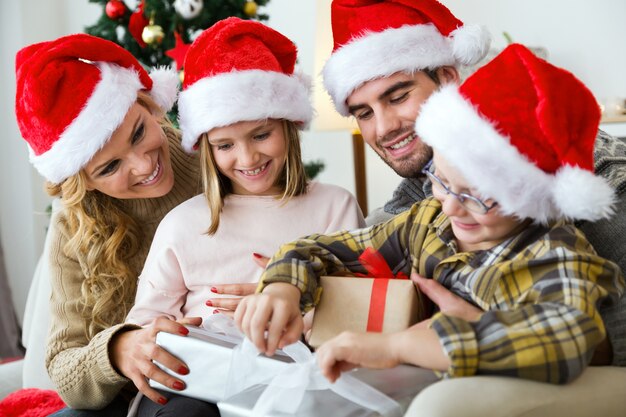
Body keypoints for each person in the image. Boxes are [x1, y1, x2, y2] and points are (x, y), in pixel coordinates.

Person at [236, 44, 624, 387]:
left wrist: (403, 344)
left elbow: (569, 336)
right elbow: (324, 249)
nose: (452, 206)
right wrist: (282, 286)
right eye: (442, 181)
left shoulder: (555, 254)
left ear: (530, 197)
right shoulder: (428, 218)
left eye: (480, 198)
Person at [323, 0, 626, 384]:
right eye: (363, 113)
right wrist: (299, 284)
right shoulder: (417, 195)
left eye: (398, 96)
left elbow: (590, 332)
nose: (383, 128)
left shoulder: (596, 180)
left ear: (448, 78)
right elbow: (353, 247)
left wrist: (487, 330)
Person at [125, 17, 365, 416]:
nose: (248, 158)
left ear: (288, 127)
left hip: (297, 376)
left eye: (260, 134)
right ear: (207, 149)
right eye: (225, 145)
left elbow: (359, 313)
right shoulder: (183, 224)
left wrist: (290, 295)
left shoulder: (334, 207)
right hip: (198, 386)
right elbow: (146, 325)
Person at [14, 34, 204, 416]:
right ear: (85, 181)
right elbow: (63, 371)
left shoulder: (214, 165)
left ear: (148, 105)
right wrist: (118, 351)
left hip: (200, 389)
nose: (144, 165)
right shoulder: (78, 223)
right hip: (117, 401)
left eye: (138, 133)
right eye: (110, 167)